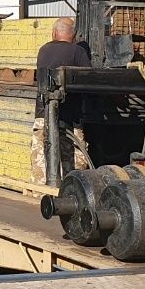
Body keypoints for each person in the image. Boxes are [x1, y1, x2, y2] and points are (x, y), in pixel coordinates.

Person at [32, 17, 91, 183]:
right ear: (73, 35)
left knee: (41, 157)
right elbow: (89, 79)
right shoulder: (78, 52)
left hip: (43, 115)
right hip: (70, 118)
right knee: (74, 159)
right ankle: (73, 190)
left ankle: (40, 194)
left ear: (53, 33)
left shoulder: (43, 50)